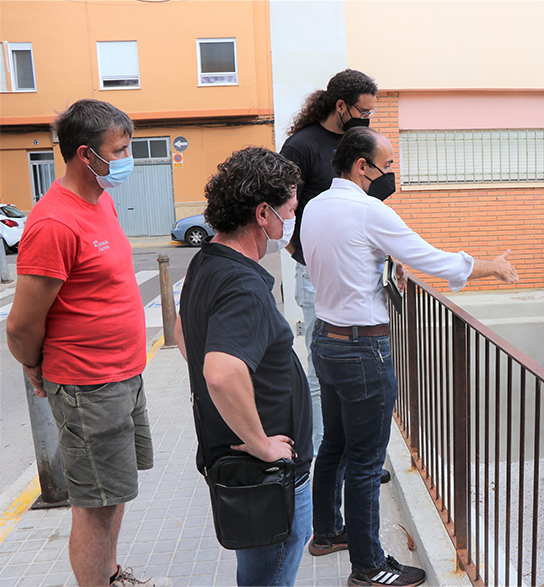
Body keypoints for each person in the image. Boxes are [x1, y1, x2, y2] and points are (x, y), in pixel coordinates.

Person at [301, 127, 518, 587]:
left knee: (335, 444)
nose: (392, 173)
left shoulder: (316, 205)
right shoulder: (369, 211)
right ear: (362, 166)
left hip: (325, 337)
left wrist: (383, 262)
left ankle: (326, 532)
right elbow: (434, 259)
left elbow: (337, 257)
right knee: (364, 461)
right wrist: (492, 266)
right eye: (389, 164)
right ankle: (368, 565)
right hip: (362, 348)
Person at [6, 99, 171, 587]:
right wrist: (36, 368)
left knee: (113, 491)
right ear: (85, 154)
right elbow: (20, 325)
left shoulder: (101, 200)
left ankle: (110, 574)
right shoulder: (54, 222)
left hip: (123, 374)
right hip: (87, 384)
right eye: (119, 150)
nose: (128, 158)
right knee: (95, 505)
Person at [174, 147, 312, 586]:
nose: (294, 214)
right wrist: (260, 442)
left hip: (248, 471)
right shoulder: (241, 284)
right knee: (268, 574)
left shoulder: (208, 261)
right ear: (263, 212)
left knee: (258, 569)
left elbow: (183, 331)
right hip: (265, 472)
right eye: (290, 206)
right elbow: (220, 371)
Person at [279, 68, 379, 456]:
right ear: (340, 105)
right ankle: (324, 456)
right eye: (362, 110)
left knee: (359, 367)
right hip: (317, 274)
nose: (367, 118)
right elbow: (282, 209)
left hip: (360, 273)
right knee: (323, 373)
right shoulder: (301, 146)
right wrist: (302, 259)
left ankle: (357, 455)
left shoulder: (361, 142)